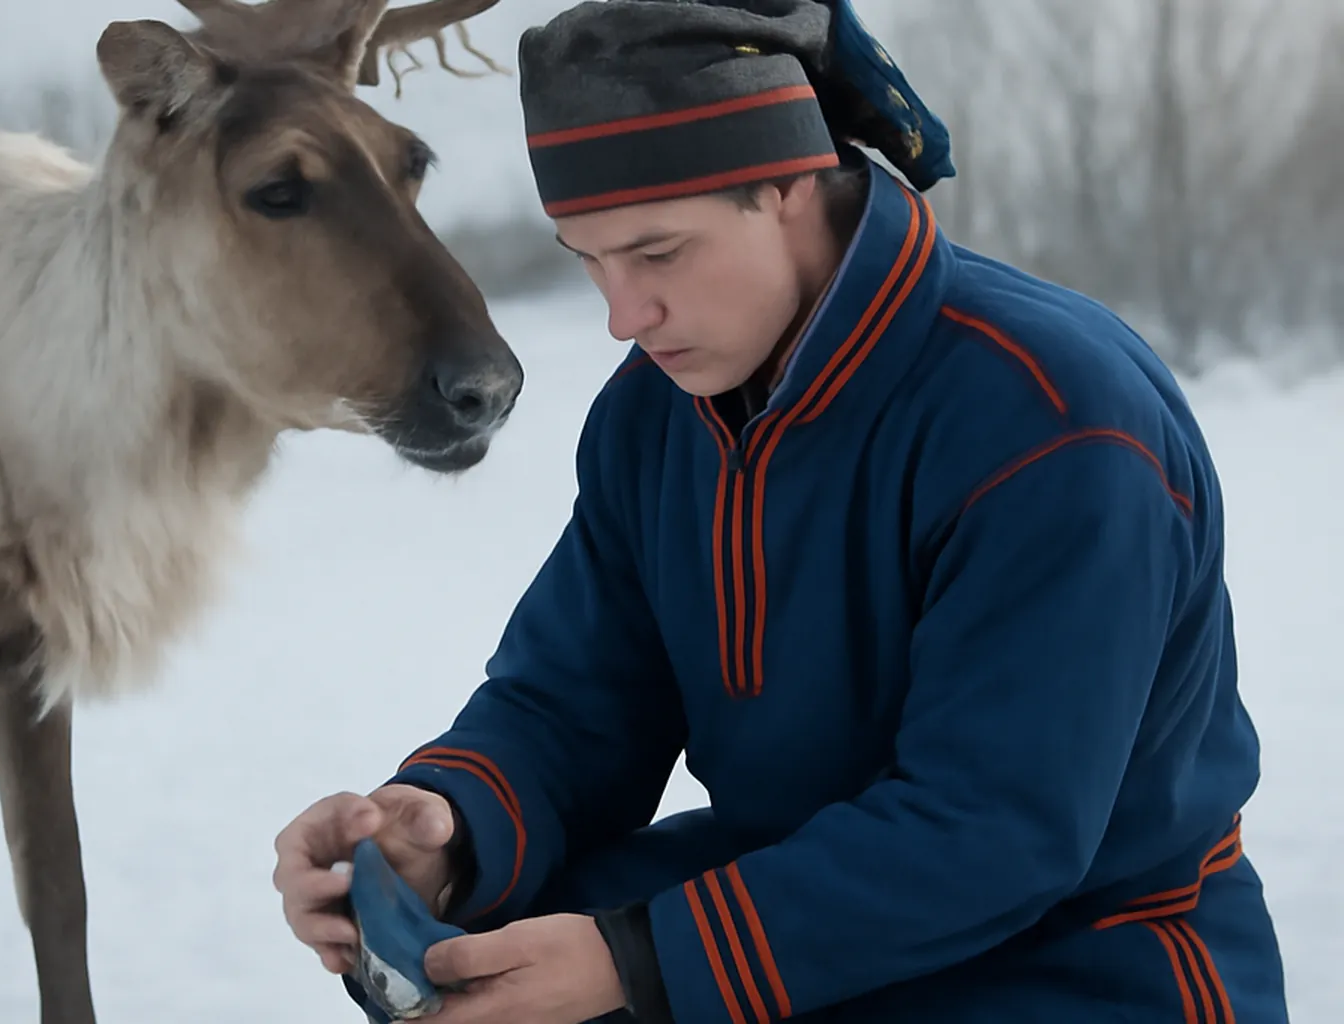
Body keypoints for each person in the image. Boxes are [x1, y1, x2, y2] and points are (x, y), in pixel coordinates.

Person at [271, 0, 1291, 1021]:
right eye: (589, 261)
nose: (625, 315)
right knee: (469, 964)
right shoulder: (655, 414)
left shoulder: (1053, 417)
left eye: (657, 253)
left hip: (1081, 959)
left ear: (790, 182)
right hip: (799, 912)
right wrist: (446, 827)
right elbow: (579, 703)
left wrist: (636, 963)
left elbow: (994, 828)